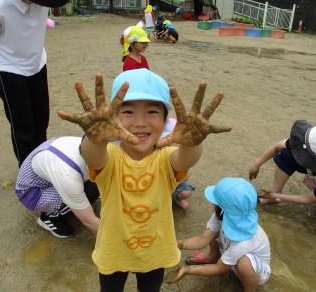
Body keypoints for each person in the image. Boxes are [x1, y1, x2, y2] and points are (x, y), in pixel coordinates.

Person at [57, 68, 231, 292]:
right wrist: (95, 139)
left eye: (151, 112)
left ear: (166, 120)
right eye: (128, 112)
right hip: (114, 250)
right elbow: (93, 156)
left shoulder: (166, 159)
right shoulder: (110, 157)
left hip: (155, 251)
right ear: (113, 118)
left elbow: (186, 160)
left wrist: (192, 143)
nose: (140, 122)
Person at [0, 0, 70, 166]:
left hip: (37, 63)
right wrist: (5, 62)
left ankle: (41, 164)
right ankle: (28, 173)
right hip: (8, 70)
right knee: (23, 126)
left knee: (41, 121)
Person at [169, 178, 271, 292]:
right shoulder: (224, 213)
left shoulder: (243, 243)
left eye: (215, 201)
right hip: (231, 254)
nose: (212, 203)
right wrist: (178, 244)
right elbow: (203, 239)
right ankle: (213, 256)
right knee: (213, 232)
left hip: (255, 270)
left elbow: (219, 269)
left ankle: (249, 289)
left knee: (244, 264)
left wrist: (188, 270)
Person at [15, 136, 100, 238]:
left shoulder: (91, 145)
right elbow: (89, 221)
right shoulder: (68, 175)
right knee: (91, 190)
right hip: (32, 192)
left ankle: (71, 204)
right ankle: (50, 217)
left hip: (51, 172)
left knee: (97, 183)